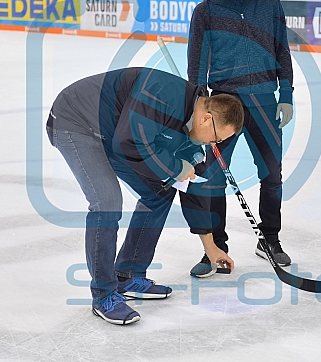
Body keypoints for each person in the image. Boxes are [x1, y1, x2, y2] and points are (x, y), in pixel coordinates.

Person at [47, 67, 243, 324]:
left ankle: (128, 273)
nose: (213, 145)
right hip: (76, 121)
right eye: (217, 138)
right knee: (106, 203)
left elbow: (188, 186)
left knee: (159, 193)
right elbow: (129, 142)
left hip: (112, 132)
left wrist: (210, 246)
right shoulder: (164, 95)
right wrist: (175, 168)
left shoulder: (192, 129)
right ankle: (104, 294)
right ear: (206, 118)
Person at [185, 0, 295, 278]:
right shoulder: (205, 12)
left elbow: (282, 50)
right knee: (213, 178)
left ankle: (270, 240)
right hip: (224, 104)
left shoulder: (269, 3)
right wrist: (197, 107)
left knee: (271, 174)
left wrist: (286, 93)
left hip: (263, 100)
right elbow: (196, 67)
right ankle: (216, 247)